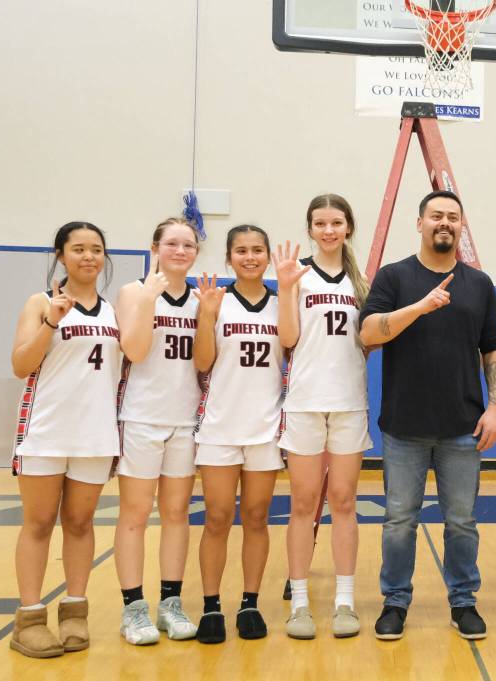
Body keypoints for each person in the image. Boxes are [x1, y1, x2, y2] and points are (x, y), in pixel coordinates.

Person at [358, 189, 496, 641]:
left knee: (461, 522)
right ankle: (395, 602)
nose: (445, 222)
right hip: (404, 426)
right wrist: (420, 307)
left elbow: (494, 350)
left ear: (461, 226)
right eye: (436, 215)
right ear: (420, 223)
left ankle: (463, 602)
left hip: (462, 427)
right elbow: (369, 333)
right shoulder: (394, 276)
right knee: (399, 521)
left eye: (453, 217)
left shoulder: (478, 284)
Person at [9, 222, 120, 658]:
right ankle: (29, 618)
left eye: (96, 249)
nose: (88, 256)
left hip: (95, 434)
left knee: (80, 524)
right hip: (46, 431)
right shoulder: (40, 302)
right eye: (78, 249)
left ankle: (75, 612)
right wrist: (51, 323)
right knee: (38, 524)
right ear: (61, 255)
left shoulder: (114, 312)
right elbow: (21, 365)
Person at [274, 194, 373, 639]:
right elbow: (288, 338)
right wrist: (286, 289)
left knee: (345, 502)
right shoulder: (298, 276)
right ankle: (299, 603)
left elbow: (369, 341)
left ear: (348, 227)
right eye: (320, 223)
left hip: (349, 402)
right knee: (302, 503)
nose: (329, 230)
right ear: (310, 229)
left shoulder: (361, 282)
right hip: (304, 402)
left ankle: (344, 601)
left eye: (336, 223)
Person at [192, 225, 284, 644]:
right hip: (220, 426)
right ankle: (211, 606)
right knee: (216, 517)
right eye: (241, 251)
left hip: (265, 427)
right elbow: (202, 362)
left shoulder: (281, 304)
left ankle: (250, 602)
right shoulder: (216, 301)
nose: (250, 257)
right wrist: (206, 316)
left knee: (257, 517)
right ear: (229, 258)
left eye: (257, 250)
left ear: (268, 256)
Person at [114, 218, 202, 645]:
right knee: (134, 514)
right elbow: (134, 350)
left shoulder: (201, 299)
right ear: (155, 248)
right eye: (172, 243)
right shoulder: (134, 291)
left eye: (188, 245)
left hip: (185, 418)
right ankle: (133, 609)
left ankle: (171, 603)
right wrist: (150, 299)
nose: (180, 251)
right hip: (141, 417)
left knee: (176, 514)